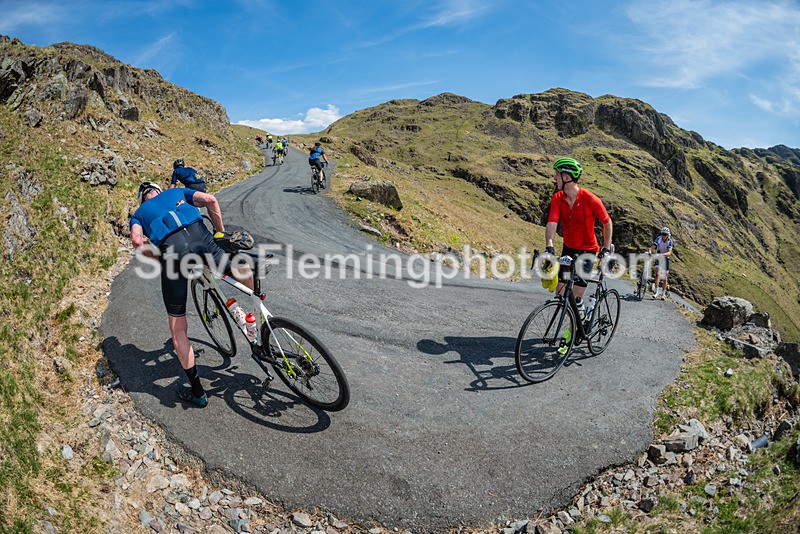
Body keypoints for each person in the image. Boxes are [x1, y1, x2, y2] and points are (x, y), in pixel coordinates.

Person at [130, 182, 254, 408]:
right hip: (201, 238)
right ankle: (262, 320)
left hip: (173, 254)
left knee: (178, 329)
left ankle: (198, 392)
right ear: (158, 191)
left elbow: (137, 241)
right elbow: (210, 200)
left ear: (142, 198)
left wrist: (161, 260)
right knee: (241, 270)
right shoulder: (175, 192)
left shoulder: (138, 214)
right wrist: (220, 233)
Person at [544, 157, 613, 320]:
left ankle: (579, 323)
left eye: (557, 174)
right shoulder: (557, 198)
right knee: (560, 294)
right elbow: (552, 223)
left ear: (567, 177)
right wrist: (549, 247)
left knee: (575, 297)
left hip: (587, 251)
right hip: (568, 248)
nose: (554, 177)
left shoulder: (590, 199)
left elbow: (607, 222)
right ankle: (576, 321)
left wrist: (606, 249)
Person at [648, 226, 673, 300]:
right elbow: (652, 247)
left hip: (665, 258)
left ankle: (663, 294)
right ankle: (656, 292)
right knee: (657, 274)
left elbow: (669, 253)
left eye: (665, 234)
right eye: (662, 234)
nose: (663, 236)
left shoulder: (669, 241)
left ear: (668, 235)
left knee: (665, 278)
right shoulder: (659, 239)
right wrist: (650, 251)